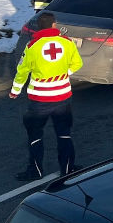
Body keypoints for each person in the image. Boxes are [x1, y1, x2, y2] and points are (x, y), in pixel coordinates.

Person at [11, 12, 82, 180]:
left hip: (39, 100)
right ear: (54, 25)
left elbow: (22, 71)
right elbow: (78, 63)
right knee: (64, 134)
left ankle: (35, 171)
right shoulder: (67, 43)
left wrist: (15, 90)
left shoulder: (32, 46)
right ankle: (67, 168)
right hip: (62, 97)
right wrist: (64, 73)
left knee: (35, 135)